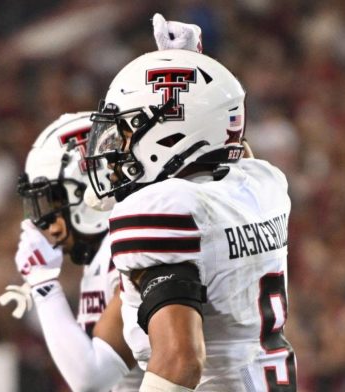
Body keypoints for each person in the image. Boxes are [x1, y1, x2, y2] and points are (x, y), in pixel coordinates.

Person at [0, 14, 203, 392]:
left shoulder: (130, 240)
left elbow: (91, 377)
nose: (45, 224)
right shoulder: (105, 253)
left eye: (50, 204)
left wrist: (43, 283)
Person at [84, 50, 297, 391]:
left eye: (128, 130)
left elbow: (179, 362)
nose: (116, 148)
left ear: (170, 135)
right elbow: (233, 149)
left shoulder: (164, 209)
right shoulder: (264, 184)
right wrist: (194, 73)